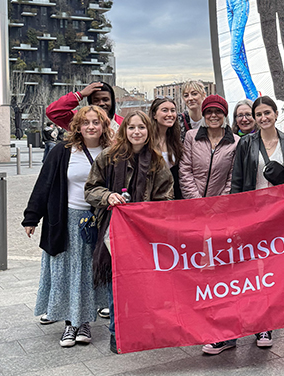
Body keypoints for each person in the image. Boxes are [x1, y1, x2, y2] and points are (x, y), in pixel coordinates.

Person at [204, 96, 284, 354]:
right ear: (254, 118)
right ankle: (231, 330)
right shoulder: (246, 143)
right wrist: (234, 216)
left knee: (268, 272)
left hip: (279, 217)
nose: (263, 117)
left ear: (276, 114)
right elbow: (237, 180)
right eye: (259, 114)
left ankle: (264, 325)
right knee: (242, 272)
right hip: (250, 214)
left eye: (267, 112)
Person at [84, 110, 175, 354]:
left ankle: (144, 329)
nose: (137, 132)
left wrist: (148, 212)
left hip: (144, 235)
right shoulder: (108, 157)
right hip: (112, 232)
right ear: (125, 131)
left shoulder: (157, 163)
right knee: (118, 284)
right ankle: (117, 333)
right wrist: (107, 196)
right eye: (132, 127)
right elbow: (91, 189)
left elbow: (166, 198)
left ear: (149, 131)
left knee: (144, 283)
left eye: (142, 128)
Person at [21, 106, 112, 347]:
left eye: (96, 122)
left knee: (89, 273)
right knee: (67, 273)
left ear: (104, 126)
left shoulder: (112, 152)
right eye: (85, 122)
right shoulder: (63, 151)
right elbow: (45, 183)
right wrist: (32, 217)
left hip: (97, 222)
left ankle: (85, 321)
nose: (91, 126)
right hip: (65, 220)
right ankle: (71, 323)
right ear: (77, 127)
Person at [180, 94, 238, 199]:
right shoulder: (191, 137)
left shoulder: (236, 142)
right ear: (204, 115)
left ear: (225, 114)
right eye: (209, 112)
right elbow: (185, 171)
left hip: (220, 206)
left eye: (218, 111)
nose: (213, 115)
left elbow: (232, 177)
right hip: (193, 203)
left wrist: (218, 203)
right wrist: (196, 200)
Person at [47, 81, 123, 134]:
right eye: (96, 100)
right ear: (90, 103)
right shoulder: (78, 120)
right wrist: (80, 95)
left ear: (112, 101)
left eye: (105, 100)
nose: (101, 103)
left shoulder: (123, 124)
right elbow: (52, 112)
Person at [149, 97, 183, 199]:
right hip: (152, 198)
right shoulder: (146, 141)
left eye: (173, 111)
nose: (170, 114)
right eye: (165, 110)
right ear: (154, 115)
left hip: (172, 198)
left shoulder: (176, 141)